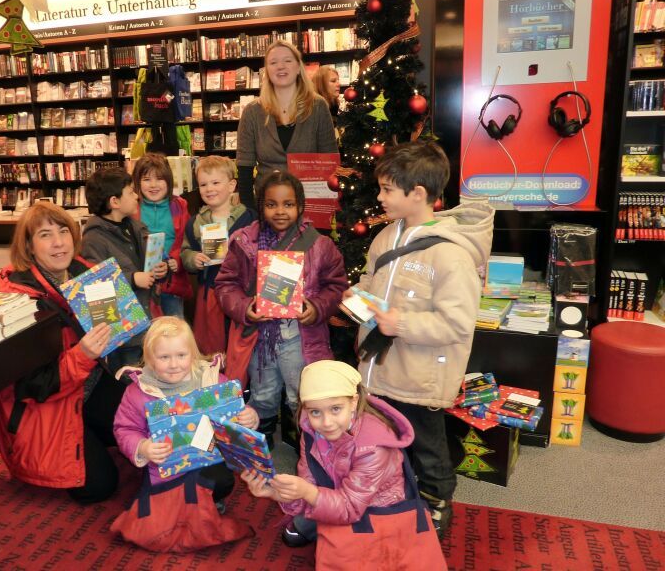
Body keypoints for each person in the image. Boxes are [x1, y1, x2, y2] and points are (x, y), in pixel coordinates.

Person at [346, 141, 494, 538]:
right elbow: (370, 283)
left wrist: (402, 324)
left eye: (387, 190)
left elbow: (457, 324)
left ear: (418, 194)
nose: (379, 197)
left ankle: (436, 502)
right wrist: (357, 299)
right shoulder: (384, 238)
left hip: (420, 377)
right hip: (378, 370)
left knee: (428, 449)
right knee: (384, 439)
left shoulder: (451, 256)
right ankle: (394, 493)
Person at [241, 361, 446, 570]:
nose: (326, 422)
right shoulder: (311, 432)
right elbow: (308, 483)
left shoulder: (373, 446)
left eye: (335, 409)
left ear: (354, 402)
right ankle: (316, 526)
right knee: (297, 533)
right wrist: (277, 494)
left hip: (377, 510)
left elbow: (348, 508)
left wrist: (306, 492)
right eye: (315, 412)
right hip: (335, 496)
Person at [0, 201, 127, 504]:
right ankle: (87, 434)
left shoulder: (85, 273)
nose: (58, 242)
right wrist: (84, 354)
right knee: (99, 486)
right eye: (44, 235)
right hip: (45, 407)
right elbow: (33, 385)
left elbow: (115, 329)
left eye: (63, 231)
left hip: (86, 387)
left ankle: (91, 429)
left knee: (142, 419)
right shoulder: (19, 303)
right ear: (28, 246)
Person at [215, 170, 347, 447]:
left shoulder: (320, 245)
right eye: (271, 204)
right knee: (262, 392)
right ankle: (261, 440)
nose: (280, 211)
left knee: (301, 391)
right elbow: (225, 285)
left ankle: (306, 441)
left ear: (300, 205)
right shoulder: (243, 242)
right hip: (258, 336)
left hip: (300, 336)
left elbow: (336, 286)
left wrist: (316, 307)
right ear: (261, 206)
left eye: (288, 204)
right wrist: (245, 307)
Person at [111, 316, 258, 552]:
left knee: (222, 481)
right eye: (164, 357)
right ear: (149, 358)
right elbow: (125, 429)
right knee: (156, 523)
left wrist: (249, 417)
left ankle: (211, 498)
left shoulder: (211, 380)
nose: (174, 364)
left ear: (193, 353)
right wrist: (143, 447)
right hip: (165, 466)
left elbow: (233, 414)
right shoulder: (138, 392)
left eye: (181, 355)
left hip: (208, 457)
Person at [81, 167, 169, 371]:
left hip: (147, 316)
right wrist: (132, 278)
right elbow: (95, 287)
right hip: (125, 331)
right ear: (115, 202)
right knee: (129, 374)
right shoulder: (93, 240)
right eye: (131, 192)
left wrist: (162, 269)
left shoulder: (135, 227)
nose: (137, 196)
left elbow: (150, 261)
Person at [236, 40, 338, 209]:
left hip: (310, 206)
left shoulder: (318, 106)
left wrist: (324, 212)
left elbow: (330, 161)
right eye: (273, 62)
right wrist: (249, 214)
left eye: (288, 61)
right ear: (267, 71)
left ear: (298, 68)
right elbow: (245, 168)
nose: (280, 66)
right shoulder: (252, 112)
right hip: (267, 207)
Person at [180, 155, 256, 355]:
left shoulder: (249, 218)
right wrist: (193, 258)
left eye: (215, 182)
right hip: (210, 292)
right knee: (212, 346)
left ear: (231, 185)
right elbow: (185, 251)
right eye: (203, 184)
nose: (209, 188)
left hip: (242, 292)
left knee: (239, 344)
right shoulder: (196, 222)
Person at [132, 153, 192, 318]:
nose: (153, 185)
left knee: (174, 329)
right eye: (146, 179)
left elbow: (185, 241)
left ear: (169, 181)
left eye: (159, 179)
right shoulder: (132, 208)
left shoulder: (179, 206)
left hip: (171, 283)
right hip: (142, 284)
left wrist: (174, 261)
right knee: (146, 334)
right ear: (137, 183)